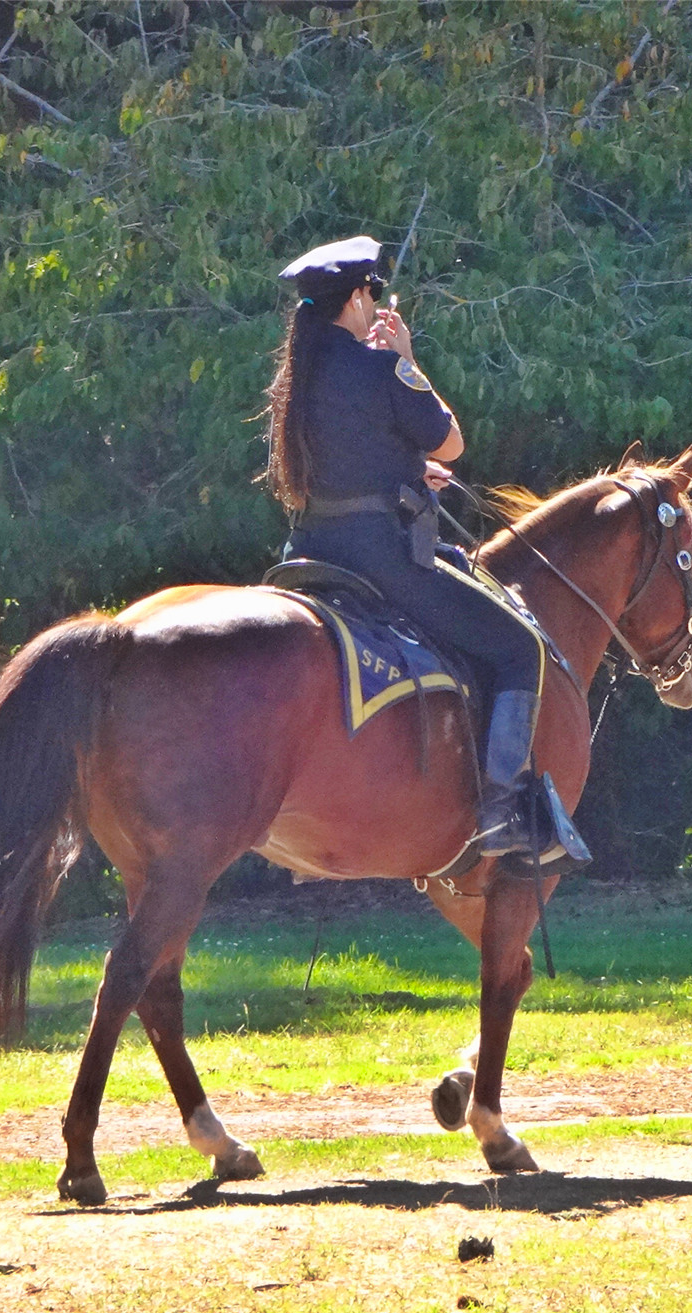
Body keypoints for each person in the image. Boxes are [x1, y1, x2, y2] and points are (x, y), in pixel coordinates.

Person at [265, 234, 571, 861]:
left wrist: (406, 471)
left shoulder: (295, 380)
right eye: (372, 294)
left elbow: (347, 462)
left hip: (308, 555)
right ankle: (502, 812)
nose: (377, 306)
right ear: (355, 299)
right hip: (384, 559)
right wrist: (407, 359)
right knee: (519, 649)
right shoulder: (383, 369)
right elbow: (451, 443)